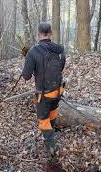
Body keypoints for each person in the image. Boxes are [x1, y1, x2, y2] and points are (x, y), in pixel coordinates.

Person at [21, 22, 66, 159]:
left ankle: (52, 147)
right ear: (50, 34)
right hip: (58, 91)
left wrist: (29, 65)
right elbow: (61, 68)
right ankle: (51, 135)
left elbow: (26, 76)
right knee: (52, 113)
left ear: (38, 34)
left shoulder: (33, 51)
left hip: (43, 94)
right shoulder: (60, 50)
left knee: (43, 121)